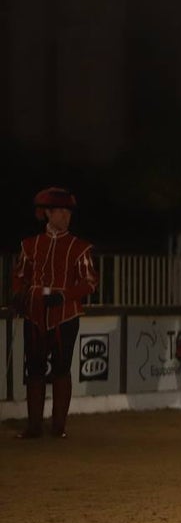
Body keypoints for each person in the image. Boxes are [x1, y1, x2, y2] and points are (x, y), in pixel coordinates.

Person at [10, 187, 99, 439]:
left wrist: (64, 295)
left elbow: (90, 281)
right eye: (60, 212)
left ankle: (59, 426)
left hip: (65, 314)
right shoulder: (30, 245)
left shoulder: (79, 247)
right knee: (34, 368)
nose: (65, 217)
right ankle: (34, 426)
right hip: (35, 311)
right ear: (47, 213)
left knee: (61, 368)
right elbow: (19, 275)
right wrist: (18, 295)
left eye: (68, 212)